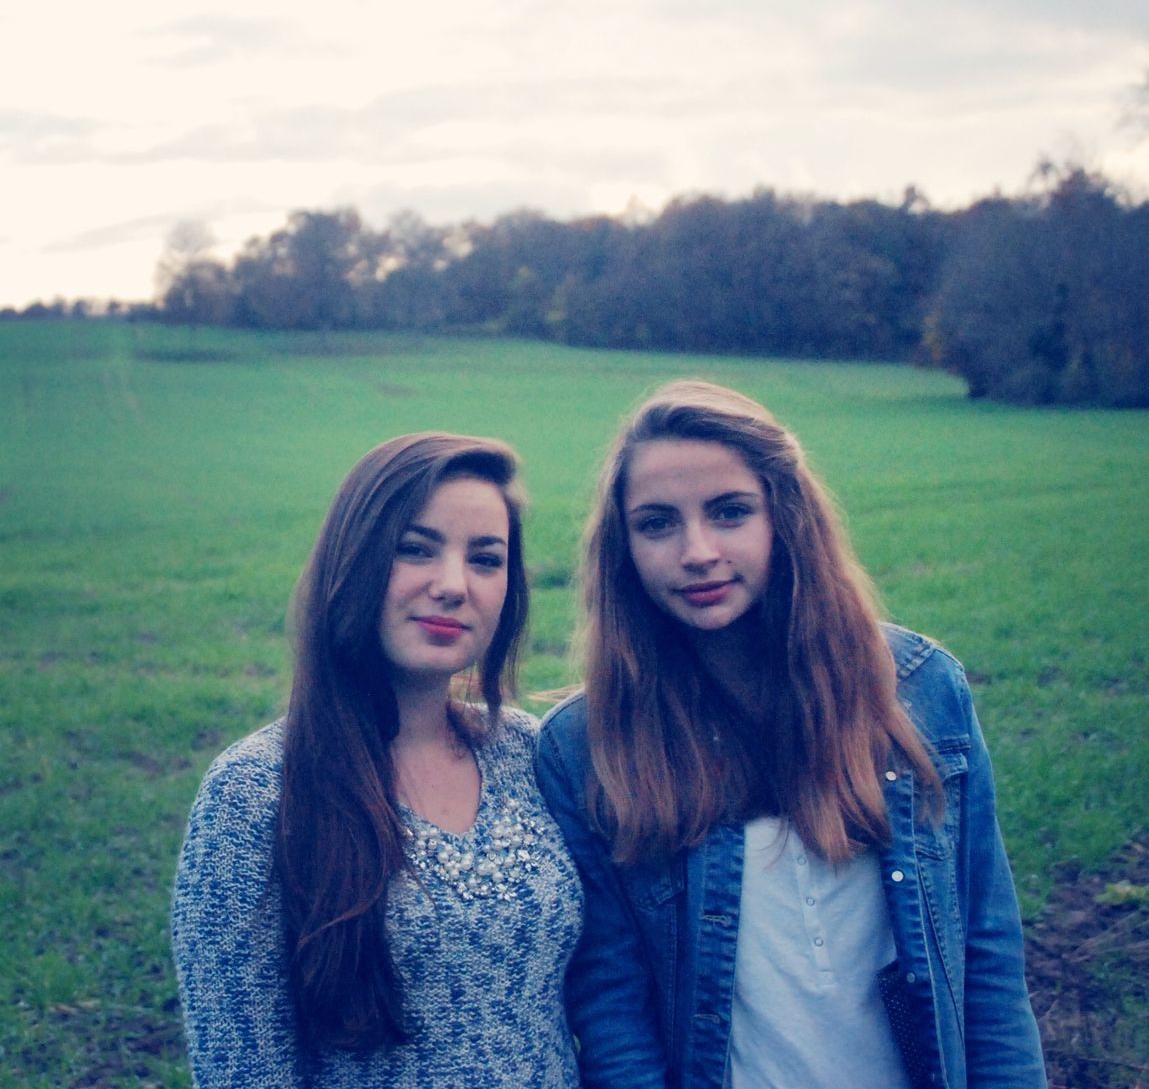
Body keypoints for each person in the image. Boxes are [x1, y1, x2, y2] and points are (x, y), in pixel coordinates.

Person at [535, 380, 1046, 1089]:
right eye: (656, 523)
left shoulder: (919, 691)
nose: (697, 551)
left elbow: (985, 956)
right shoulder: (587, 746)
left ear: (785, 516)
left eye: (729, 511)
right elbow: (612, 1012)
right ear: (622, 549)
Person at [172, 433, 583, 1087]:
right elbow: (242, 1067)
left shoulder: (535, 753)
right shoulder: (254, 793)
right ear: (354, 560)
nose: (452, 585)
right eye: (415, 549)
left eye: (485, 559)